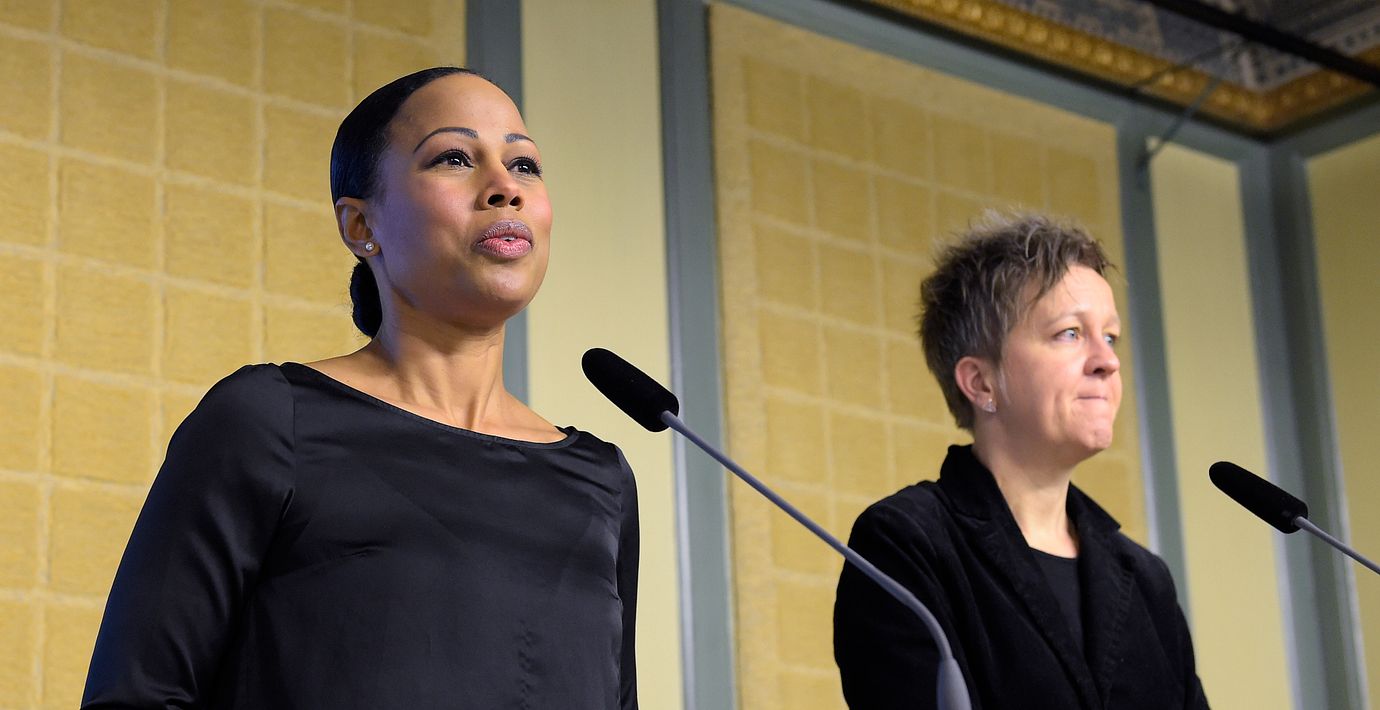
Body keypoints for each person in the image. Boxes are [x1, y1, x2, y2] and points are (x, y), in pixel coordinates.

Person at [82, 67, 639, 709]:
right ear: (358, 225)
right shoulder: (271, 421)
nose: (504, 188)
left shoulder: (601, 481)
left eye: (525, 165)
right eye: (455, 158)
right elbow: (137, 695)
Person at [833, 213, 1207, 709]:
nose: (1108, 361)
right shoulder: (907, 544)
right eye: (1069, 333)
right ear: (981, 383)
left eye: (1110, 336)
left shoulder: (1145, 577)